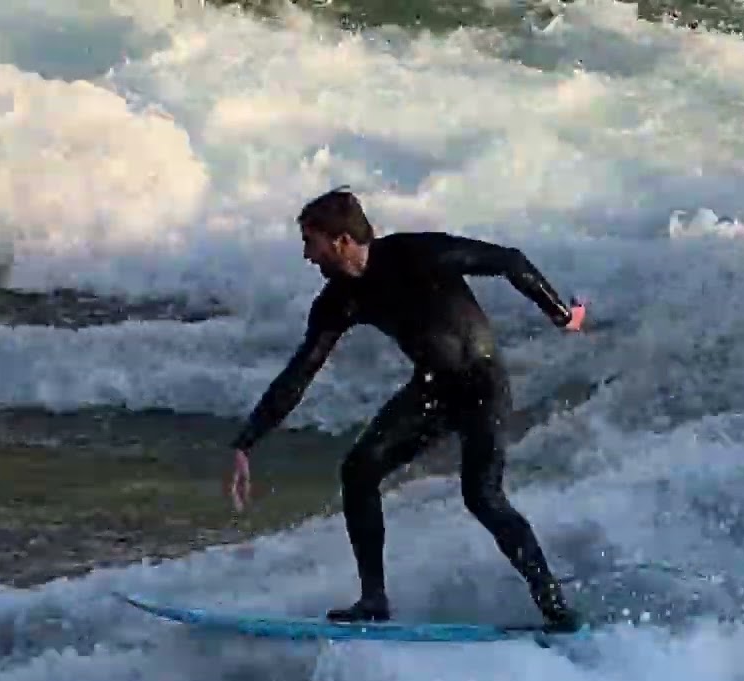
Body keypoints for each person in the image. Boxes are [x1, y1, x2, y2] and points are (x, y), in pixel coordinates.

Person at [225, 187, 587, 631]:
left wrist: (561, 315)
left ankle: (555, 607)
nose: (306, 255)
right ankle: (373, 600)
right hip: (433, 390)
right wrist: (247, 442)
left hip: (483, 385)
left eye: (310, 242)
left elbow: (510, 260)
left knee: (483, 496)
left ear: (341, 240)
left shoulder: (419, 253)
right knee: (359, 470)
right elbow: (300, 372)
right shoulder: (339, 300)